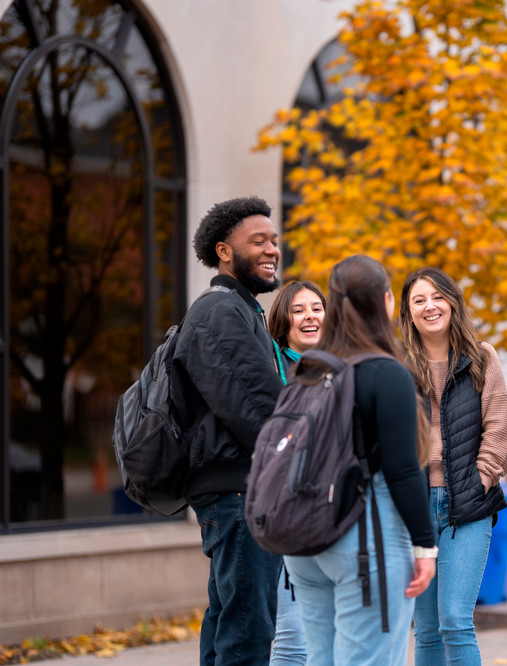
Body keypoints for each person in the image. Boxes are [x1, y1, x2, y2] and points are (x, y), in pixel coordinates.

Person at [282, 255, 437, 666]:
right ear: (387, 301)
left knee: (322, 659)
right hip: (365, 538)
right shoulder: (386, 373)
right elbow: (403, 470)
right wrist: (426, 546)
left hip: (305, 543)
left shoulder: (311, 369)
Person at [171, 196, 285, 665]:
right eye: (257, 241)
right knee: (247, 637)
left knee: (229, 627)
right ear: (224, 251)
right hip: (239, 496)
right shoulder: (221, 312)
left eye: (274, 240)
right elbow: (260, 412)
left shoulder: (239, 309)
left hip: (239, 495)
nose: (271, 249)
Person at [399, 268, 507, 665]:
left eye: (436, 297)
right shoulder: (398, 365)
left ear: (452, 302)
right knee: (426, 630)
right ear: (408, 312)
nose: (429, 306)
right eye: (419, 300)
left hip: (466, 504)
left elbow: (499, 427)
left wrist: (479, 480)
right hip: (411, 507)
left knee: (455, 621)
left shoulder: (481, 358)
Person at [266, 280, 327, 665]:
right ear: (283, 321)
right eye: (299, 310)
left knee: (323, 639)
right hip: (287, 516)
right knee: (292, 639)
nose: (309, 316)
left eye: (317, 308)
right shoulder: (274, 368)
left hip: (331, 518)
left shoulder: (338, 367)